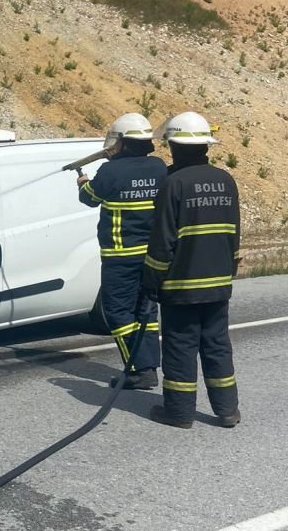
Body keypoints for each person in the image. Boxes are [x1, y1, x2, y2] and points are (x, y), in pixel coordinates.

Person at [141, 111, 241, 429]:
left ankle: (180, 412)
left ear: (175, 146)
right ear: (206, 147)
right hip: (218, 283)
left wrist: (151, 279)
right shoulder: (227, 181)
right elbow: (233, 235)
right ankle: (227, 410)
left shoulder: (173, 184)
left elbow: (163, 241)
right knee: (216, 344)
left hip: (182, 285)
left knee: (180, 346)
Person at [77, 113, 167, 389]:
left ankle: (139, 369)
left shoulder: (111, 171)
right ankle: (149, 363)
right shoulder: (158, 166)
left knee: (117, 312)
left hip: (121, 255)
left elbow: (89, 198)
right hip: (151, 254)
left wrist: (83, 182)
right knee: (145, 313)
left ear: (123, 143)